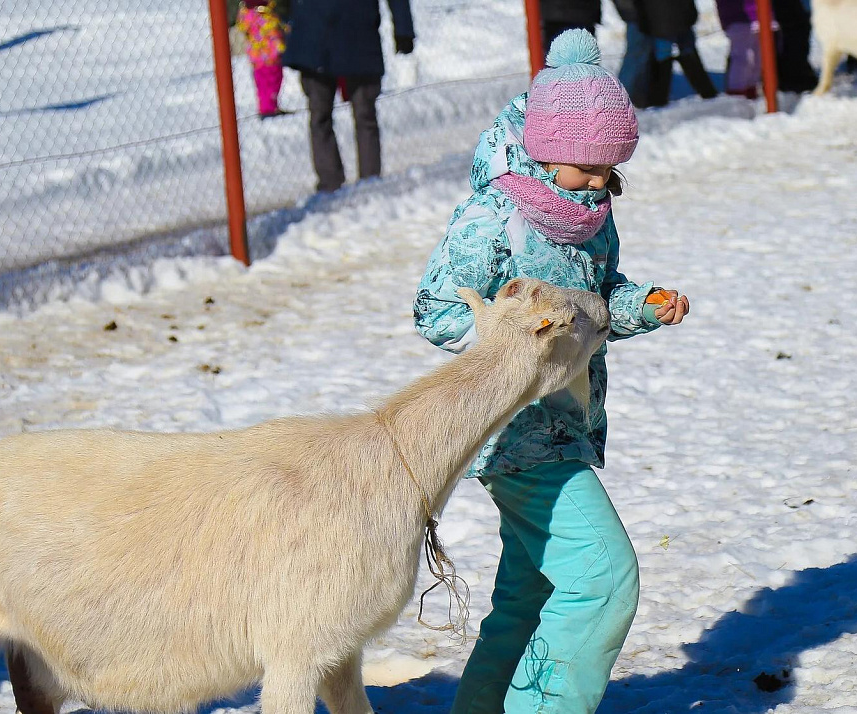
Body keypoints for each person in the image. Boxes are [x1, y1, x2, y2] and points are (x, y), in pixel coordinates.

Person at [414, 29, 689, 714]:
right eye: (585, 168)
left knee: (531, 593)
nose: (599, 185)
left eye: (609, 171)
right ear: (543, 148)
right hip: (512, 433)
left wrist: (641, 307)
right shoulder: (494, 218)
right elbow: (437, 311)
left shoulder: (592, 216)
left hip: (567, 426)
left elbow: (594, 305)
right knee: (603, 577)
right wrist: (519, 339)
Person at [282, 0, 415, 193]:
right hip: (314, 36)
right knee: (320, 116)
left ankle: (369, 184)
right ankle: (330, 186)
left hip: (357, 34)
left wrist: (403, 29)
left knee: (364, 114)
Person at [235, 0, 290, 118]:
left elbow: (243, 27)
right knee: (272, 82)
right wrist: (281, 48)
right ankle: (269, 108)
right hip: (271, 57)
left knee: (262, 84)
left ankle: (266, 106)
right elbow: (275, 36)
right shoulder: (268, 17)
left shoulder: (247, 15)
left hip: (256, 58)